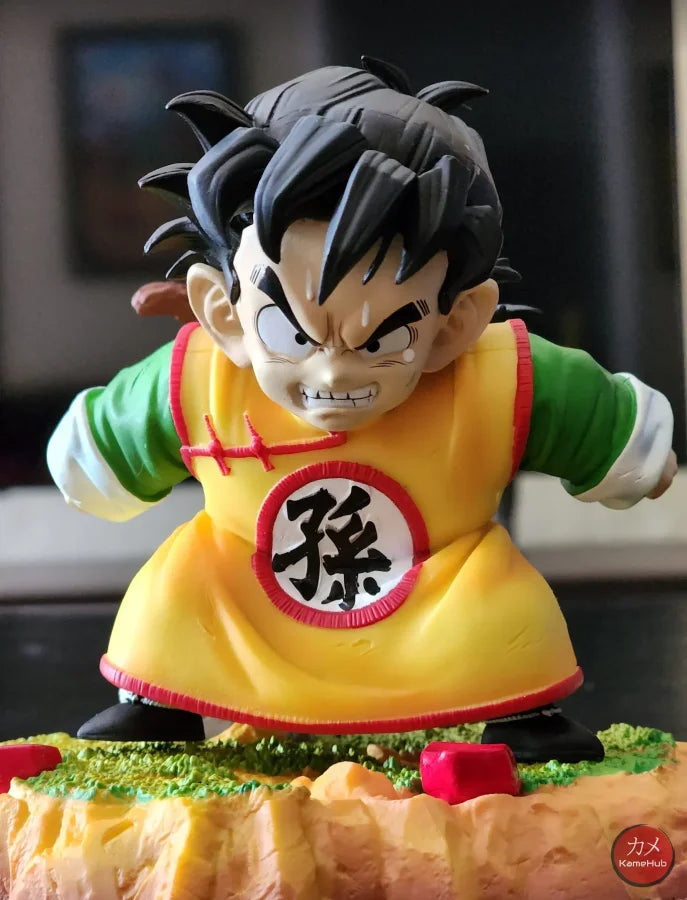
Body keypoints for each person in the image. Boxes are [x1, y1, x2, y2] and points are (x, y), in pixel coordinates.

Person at [47, 58, 676, 763]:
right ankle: (157, 705)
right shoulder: (201, 377)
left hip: (440, 608)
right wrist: (87, 461)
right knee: (179, 595)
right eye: (290, 332)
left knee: (500, 611)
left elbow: (596, 417)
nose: (331, 372)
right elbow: (98, 449)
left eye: (382, 339)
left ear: (455, 324)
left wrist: (635, 454)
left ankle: (525, 716)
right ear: (223, 312)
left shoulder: (492, 374)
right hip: (241, 609)